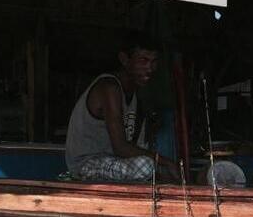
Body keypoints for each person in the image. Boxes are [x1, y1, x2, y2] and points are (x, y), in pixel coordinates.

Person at [65, 31, 177, 182]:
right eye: (143, 60)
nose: (150, 68)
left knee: (153, 166)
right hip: (86, 163)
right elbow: (120, 147)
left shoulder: (135, 94)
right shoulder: (109, 87)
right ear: (124, 59)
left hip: (115, 162)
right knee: (146, 166)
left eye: (154, 61)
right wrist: (165, 162)